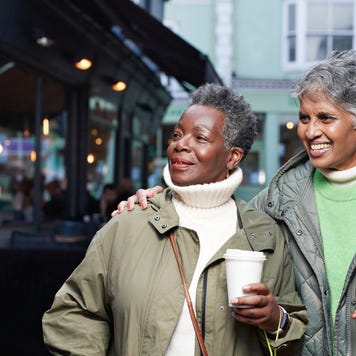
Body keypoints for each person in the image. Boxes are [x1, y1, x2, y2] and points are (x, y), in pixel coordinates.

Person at [116, 50, 356, 355]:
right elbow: (209, 209)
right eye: (304, 118)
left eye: (326, 118)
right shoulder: (276, 201)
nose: (310, 131)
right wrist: (159, 200)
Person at [42, 83, 307, 355]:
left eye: (200, 138)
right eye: (177, 135)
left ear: (232, 156)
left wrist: (277, 320)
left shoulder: (264, 235)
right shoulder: (129, 223)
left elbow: (293, 333)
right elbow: (73, 313)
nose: (180, 144)